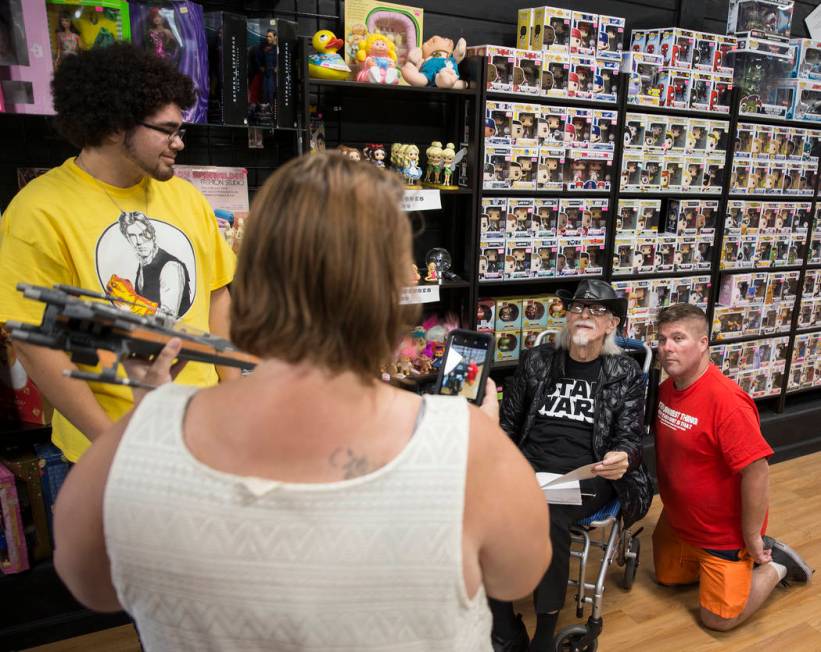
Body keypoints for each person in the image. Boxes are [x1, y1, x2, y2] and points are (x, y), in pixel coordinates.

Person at [51, 153, 552, 651]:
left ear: (252, 274)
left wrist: (150, 424)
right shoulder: (466, 444)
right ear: (393, 285)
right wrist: (480, 435)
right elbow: (518, 576)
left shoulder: (136, 438)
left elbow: (89, 582)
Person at [0, 43, 236, 463]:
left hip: (201, 434)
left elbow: (217, 297)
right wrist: (113, 444)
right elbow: (36, 344)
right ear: (113, 127)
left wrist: (235, 398)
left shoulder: (185, 198)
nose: (179, 143)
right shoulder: (38, 211)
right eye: (167, 130)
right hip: (108, 452)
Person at [487, 279, 652, 651]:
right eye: (578, 308)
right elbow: (509, 426)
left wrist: (622, 456)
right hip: (529, 467)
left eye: (597, 311)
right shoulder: (537, 360)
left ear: (612, 324)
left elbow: (630, 438)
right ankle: (503, 628)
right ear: (567, 317)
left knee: (548, 515)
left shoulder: (624, 373)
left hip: (588, 473)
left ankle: (544, 637)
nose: (585, 315)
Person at [654, 303, 813, 631]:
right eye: (662, 339)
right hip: (680, 518)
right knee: (667, 578)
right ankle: (715, 569)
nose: (667, 347)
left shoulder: (727, 402)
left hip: (722, 532)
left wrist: (752, 535)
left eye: (679, 338)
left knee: (718, 621)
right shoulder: (667, 389)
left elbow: (757, 470)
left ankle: (777, 564)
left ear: (703, 344)